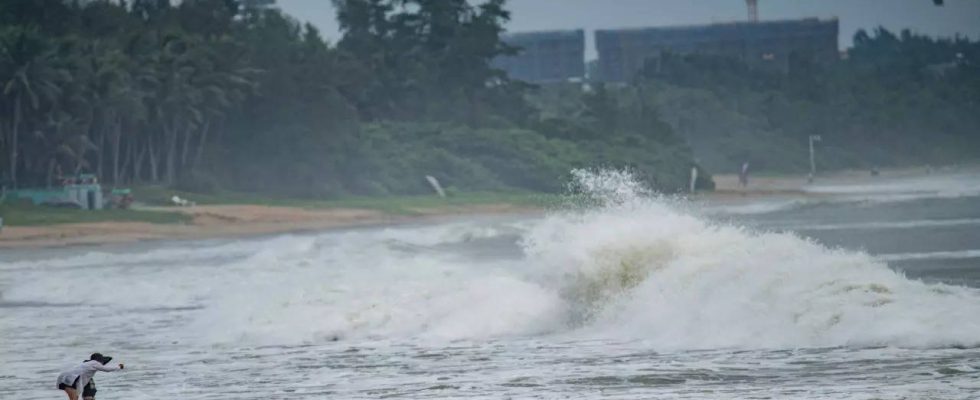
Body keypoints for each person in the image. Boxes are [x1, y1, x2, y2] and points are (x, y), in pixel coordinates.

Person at [56, 353, 124, 400]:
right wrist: (118, 367)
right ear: (100, 360)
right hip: (72, 379)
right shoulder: (95, 363)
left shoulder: (85, 364)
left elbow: (82, 380)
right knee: (74, 398)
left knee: (74, 398)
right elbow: (107, 369)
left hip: (63, 377)